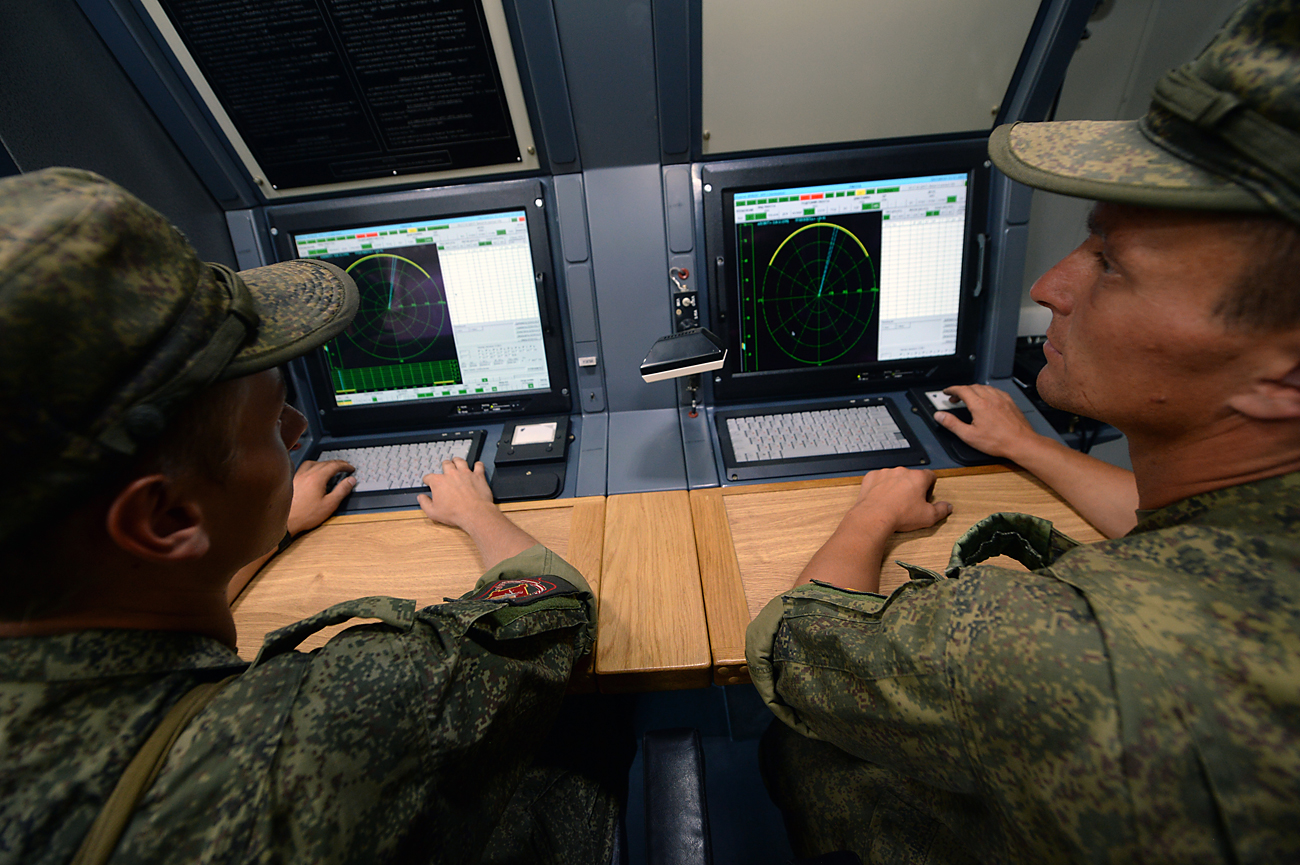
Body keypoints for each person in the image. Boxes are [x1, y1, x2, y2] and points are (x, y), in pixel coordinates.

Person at [747, 1, 1300, 862]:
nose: (1049, 285)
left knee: (807, 744)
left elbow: (795, 644)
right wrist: (1026, 444)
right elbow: (1211, 545)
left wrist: (876, 510)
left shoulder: (1055, 653)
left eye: (1112, 262)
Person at [0, 168, 623, 864]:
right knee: (592, 738)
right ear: (167, 518)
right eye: (269, 422)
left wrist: (258, 530)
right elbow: (554, 604)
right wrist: (477, 513)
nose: (298, 430)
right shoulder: (325, 720)